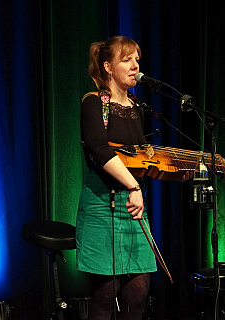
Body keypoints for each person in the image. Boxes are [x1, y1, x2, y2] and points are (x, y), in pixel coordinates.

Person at [76, 35, 155, 320]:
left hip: (133, 208)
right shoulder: (94, 103)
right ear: (108, 67)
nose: (135, 66)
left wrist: (172, 172)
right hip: (101, 205)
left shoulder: (138, 108)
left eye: (137, 60)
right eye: (127, 60)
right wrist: (133, 185)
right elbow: (98, 148)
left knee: (138, 291)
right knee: (106, 295)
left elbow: (139, 157)